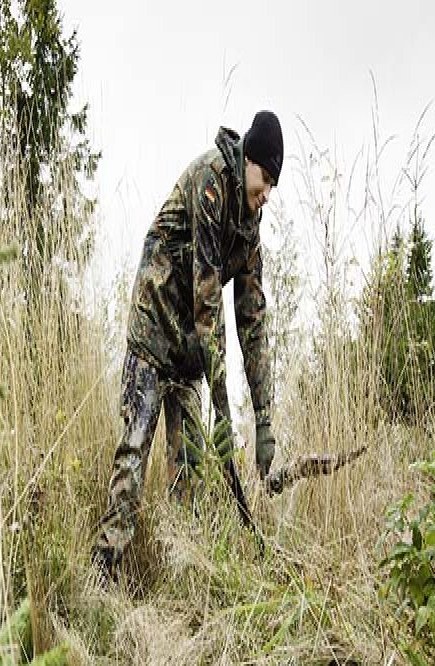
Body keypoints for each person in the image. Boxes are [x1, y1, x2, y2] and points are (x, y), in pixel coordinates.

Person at [92, 110, 284, 581]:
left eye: (273, 189)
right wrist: (222, 405)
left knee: (190, 468)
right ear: (247, 161)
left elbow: (252, 323)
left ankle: (180, 589)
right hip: (154, 331)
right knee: (134, 450)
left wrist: (263, 420)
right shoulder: (210, 181)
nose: (265, 197)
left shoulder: (251, 230)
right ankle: (102, 574)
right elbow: (206, 296)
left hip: (190, 353)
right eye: (263, 181)